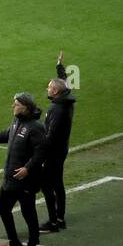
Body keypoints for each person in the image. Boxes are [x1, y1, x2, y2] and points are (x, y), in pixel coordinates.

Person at [0, 93, 46, 246]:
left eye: (16, 104)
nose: (12, 106)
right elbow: (7, 135)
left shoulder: (35, 127)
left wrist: (27, 169)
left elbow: (41, 152)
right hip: (11, 177)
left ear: (26, 107)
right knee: (1, 205)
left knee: (28, 211)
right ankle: (13, 240)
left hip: (25, 180)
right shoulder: (17, 122)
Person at [39, 50, 76, 232]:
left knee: (47, 184)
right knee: (57, 183)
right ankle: (60, 217)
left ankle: (54, 221)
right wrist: (60, 67)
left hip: (53, 152)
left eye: (49, 87)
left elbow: (50, 136)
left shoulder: (57, 110)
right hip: (61, 149)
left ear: (55, 92)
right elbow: (66, 84)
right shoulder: (66, 101)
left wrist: (39, 151)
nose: (47, 89)